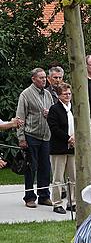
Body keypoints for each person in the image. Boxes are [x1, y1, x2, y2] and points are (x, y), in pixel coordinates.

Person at [16, 67, 54, 208]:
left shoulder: (48, 95)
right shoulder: (25, 95)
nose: (44, 80)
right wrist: (21, 138)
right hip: (31, 135)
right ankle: (29, 197)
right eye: (41, 78)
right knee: (30, 167)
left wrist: (49, 114)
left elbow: (53, 113)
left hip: (46, 136)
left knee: (45, 167)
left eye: (45, 77)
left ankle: (44, 196)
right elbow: (20, 117)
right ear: (33, 79)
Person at [47, 83, 76, 214]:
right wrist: (68, 138)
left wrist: (75, 138)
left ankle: (72, 202)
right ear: (59, 96)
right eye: (65, 94)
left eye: (69, 93)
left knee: (73, 176)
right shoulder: (54, 109)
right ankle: (57, 203)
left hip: (73, 147)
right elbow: (54, 128)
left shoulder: (73, 108)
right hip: (59, 147)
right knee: (58, 177)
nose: (68, 96)